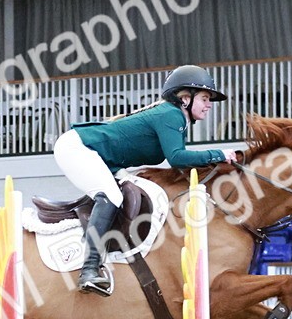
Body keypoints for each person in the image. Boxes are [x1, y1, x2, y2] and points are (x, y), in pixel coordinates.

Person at [52, 64, 241, 295]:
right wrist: (218, 154)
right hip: (77, 147)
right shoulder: (171, 115)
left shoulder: (175, 118)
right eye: (204, 98)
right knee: (111, 196)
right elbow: (177, 158)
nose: (209, 104)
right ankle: (89, 270)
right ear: (185, 99)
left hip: (103, 158)